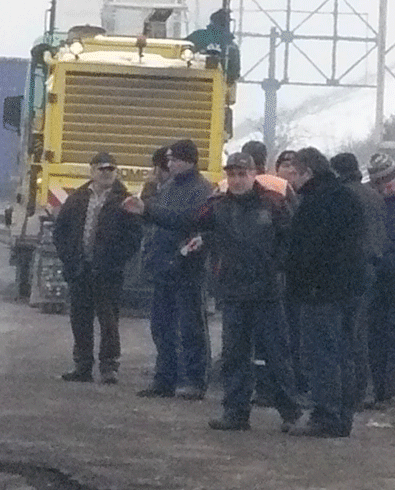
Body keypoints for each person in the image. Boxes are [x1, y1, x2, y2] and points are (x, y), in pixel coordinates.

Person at [128, 152, 301, 431]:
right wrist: (147, 211)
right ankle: (235, 412)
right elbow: (187, 220)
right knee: (234, 354)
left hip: (267, 293)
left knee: (277, 354)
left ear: (252, 174)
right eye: (231, 175)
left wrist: (277, 267)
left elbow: (292, 239)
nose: (236, 180)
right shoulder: (217, 205)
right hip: (233, 293)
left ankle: (290, 413)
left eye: (241, 174)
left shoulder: (273, 202)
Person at [283, 147, 366, 436]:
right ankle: (342, 416)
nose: (290, 179)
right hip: (350, 288)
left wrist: (299, 283)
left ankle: (325, 415)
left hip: (321, 291)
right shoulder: (346, 197)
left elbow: (308, 251)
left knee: (322, 353)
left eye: (294, 172)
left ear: (307, 172)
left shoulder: (315, 202)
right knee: (344, 353)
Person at [135, 138, 213, 399]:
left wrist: (148, 210)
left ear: (188, 160)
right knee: (162, 326)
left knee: (191, 327)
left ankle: (194, 380)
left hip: (186, 268)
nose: (169, 163)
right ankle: (165, 378)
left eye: (173, 159)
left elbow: (186, 220)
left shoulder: (201, 190)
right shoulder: (169, 186)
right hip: (164, 268)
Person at [53, 151, 141, 384]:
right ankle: (82, 366)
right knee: (80, 319)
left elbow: (134, 237)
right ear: (92, 171)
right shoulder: (77, 198)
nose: (106, 174)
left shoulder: (125, 200)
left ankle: (109, 367)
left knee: (109, 320)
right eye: (102, 169)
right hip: (79, 270)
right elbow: (60, 231)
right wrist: (69, 259)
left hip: (108, 273)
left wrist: (116, 260)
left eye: (110, 169)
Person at [330, 151, 387, 408]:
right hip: (374, 268)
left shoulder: (345, 196)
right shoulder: (374, 196)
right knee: (364, 334)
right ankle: (367, 390)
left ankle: (354, 391)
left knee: (350, 335)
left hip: (352, 271)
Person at [366, 152, 395, 409]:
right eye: (379, 181)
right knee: (375, 336)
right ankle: (380, 390)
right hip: (375, 279)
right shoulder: (372, 202)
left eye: (388, 178)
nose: (385, 185)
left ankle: (387, 390)